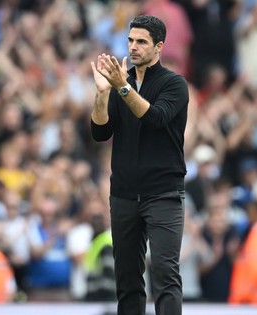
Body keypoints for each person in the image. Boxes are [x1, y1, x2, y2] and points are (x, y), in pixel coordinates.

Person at [90, 15, 189, 315]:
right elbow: (100, 132)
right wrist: (102, 93)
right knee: (128, 282)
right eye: (130, 40)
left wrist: (121, 88)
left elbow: (155, 119)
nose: (133, 47)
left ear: (159, 46)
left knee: (165, 276)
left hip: (163, 195)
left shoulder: (174, 84)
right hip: (123, 195)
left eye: (141, 41)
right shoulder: (121, 81)